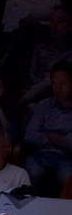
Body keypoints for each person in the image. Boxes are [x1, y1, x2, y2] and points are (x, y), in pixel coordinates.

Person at [24, 60, 72, 197]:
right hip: (41, 154)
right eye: (54, 83)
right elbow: (30, 134)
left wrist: (47, 133)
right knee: (34, 171)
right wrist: (60, 140)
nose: (57, 88)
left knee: (66, 175)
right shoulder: (43, 106)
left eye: (62, 83)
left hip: (67, 157)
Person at [23, 5, 72, 104]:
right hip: (34, 90)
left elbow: (51, 80)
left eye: (60, 22)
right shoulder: (40, 46)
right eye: (52, 21)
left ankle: (22, 101)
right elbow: (31, 71)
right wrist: (35, 88)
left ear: (69, 25)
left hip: (56, 95)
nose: (54, 26)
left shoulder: (70, 53)